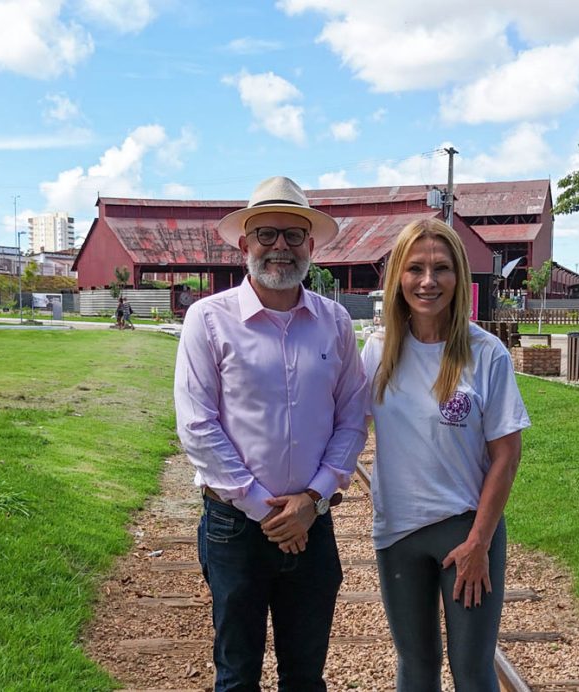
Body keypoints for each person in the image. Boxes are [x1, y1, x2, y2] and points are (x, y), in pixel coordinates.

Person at [174, 175, 369, 691]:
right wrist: (268, 510)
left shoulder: (335, 323)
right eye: (266, 234)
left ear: (311, 246)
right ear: (245, 245)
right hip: (236, 527)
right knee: (237, 676)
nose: (280, 246)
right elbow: (197, 425)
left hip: (313, 521)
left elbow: (352, 417)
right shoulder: (207, 320)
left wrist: (313, 499)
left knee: (305, 677)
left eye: (293, 234)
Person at [360, 218, 531, 691]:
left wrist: (479, 542)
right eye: (415, 268)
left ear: (459, 276)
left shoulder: (486, 353)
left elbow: (507, 455)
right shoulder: (378, 351)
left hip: (465, 530)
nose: (428, 281)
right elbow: (345, 429)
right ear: (398, 277)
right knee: (416, 666)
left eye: (441, 268)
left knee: (472, 670)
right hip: (397, 532)